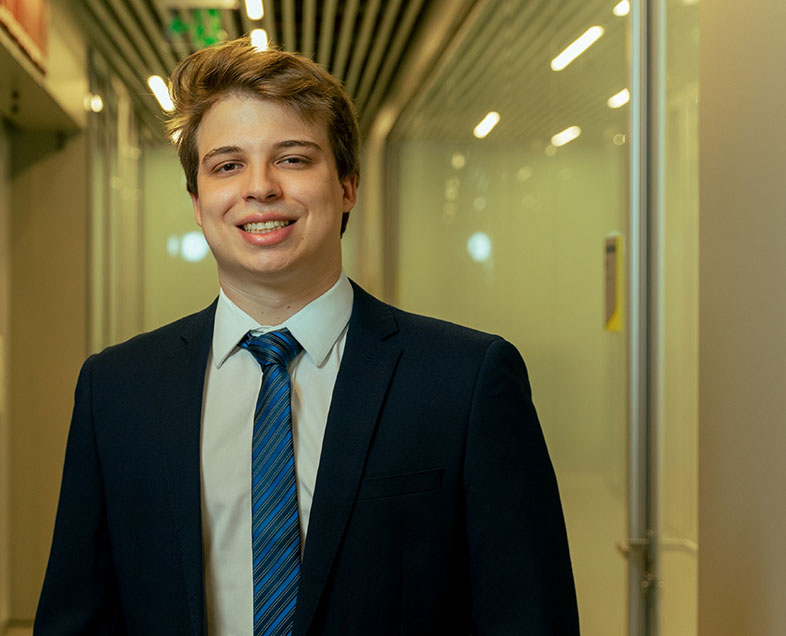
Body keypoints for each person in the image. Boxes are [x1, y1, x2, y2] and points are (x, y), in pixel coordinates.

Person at [35, 38, 579, 636]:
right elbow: (77, 616)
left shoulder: (465, 381)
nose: (260, 188)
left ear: (347, 185)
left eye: (293, 159)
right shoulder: (117, 389)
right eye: (227, 165)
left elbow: (529, 616)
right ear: (197, 201)